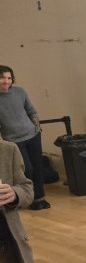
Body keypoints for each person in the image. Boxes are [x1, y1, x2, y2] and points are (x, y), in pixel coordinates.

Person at [0, 65, 49, 210]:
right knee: (27, 169)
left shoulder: (20, 92)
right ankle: (29, 198)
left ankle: (40, 197)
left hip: (32, 135)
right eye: (2, 77)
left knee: (38, 166)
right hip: (13, 140)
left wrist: (37, 127)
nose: (6, 81)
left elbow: (31, 111)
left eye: (9, 78)